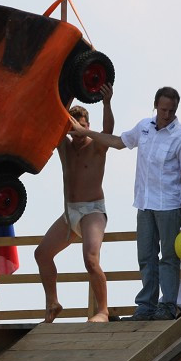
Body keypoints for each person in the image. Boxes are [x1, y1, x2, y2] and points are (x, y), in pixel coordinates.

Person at [71, 85, 181, 321]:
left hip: (170, 204)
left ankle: (167, 306)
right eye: (163, 109)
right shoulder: (144, 127)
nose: (167, 115)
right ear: (155, 106)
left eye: (171, 111)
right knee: (146, 256)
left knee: (168, 257)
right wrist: (85, 132)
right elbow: (117, 142)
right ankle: (146, 306)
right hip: (145, 203)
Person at [36, 84, 114, 323]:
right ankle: (53, 302)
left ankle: (103, 311)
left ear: (87, 126)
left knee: (91, 259)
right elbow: (52, 117)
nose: (76, 134)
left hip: (92, 210)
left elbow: (109, 130)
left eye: (80, 128)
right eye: (72, 129)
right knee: (42, 254)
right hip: (70, 213)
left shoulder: (97, 145)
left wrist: (107, 103)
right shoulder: (65, 146)